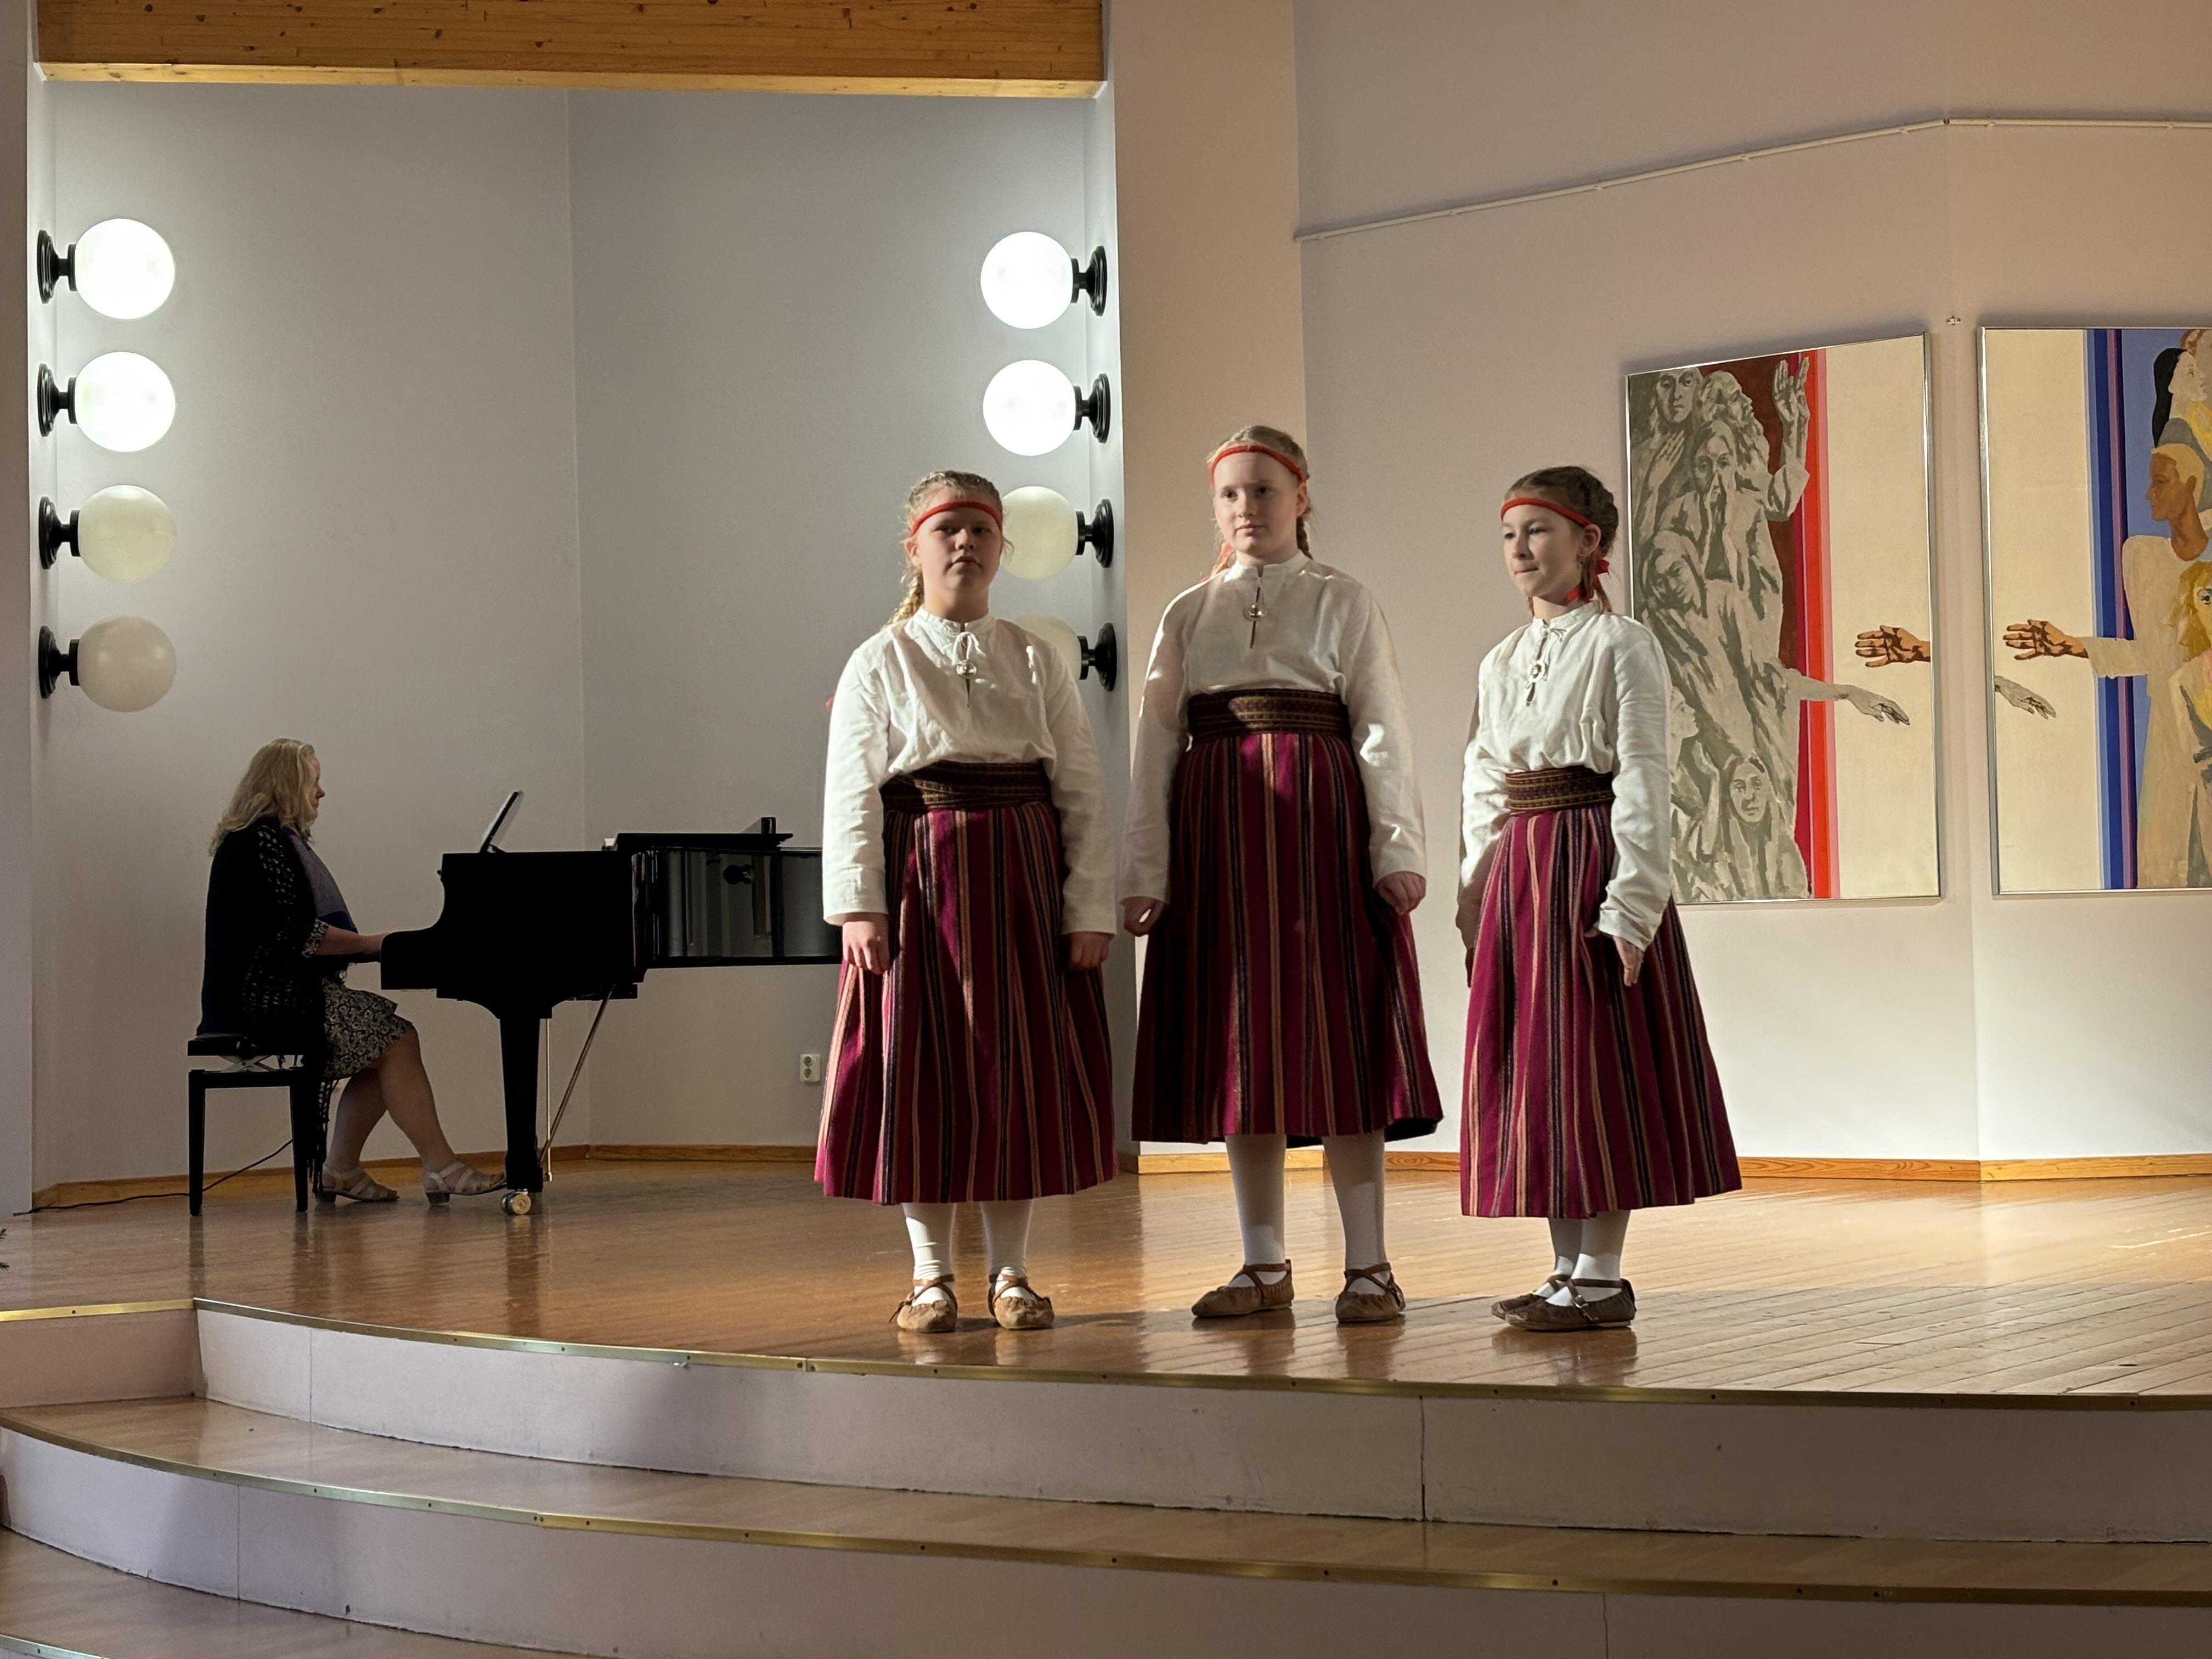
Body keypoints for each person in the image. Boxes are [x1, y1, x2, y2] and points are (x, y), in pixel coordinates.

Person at [1123, 425, 1441, 1327]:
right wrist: (1147, 867)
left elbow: (1381, 725)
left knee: (1342, 1042)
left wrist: (1396, 848)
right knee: (1241, 1045)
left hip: (1321, 835)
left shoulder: (1343, 600)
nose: (1245, 508)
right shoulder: (1188, 612)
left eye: (1262, 490)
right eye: (1229, 494)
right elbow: (1155, 744)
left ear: (1300, 498)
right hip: (1217, 839)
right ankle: (1262, 1262)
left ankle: (1369, 1264)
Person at [817, 471, 1115, 1334]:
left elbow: (1081, 787)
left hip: (1021, 880)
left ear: (1001, 549)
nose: (965, 544)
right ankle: (931, 1277)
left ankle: (1013, 1273)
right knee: (923, 1072)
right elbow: (851, 791)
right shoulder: (880, 659)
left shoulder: (1036, 656)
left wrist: (1087, 906)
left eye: (981, 530)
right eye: (946, 530)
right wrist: (860, 905)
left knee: (1010, 1071)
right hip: (920, 883)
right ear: (914, 549)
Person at [1460, 467, 1740, 1331]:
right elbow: (1484, 778)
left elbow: (1646, 777)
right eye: (1509, 535)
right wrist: (1476, 892)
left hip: (1587, 863)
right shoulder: (1501, 659)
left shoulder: (1624, 645)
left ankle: (1602, 1276)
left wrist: (1632, 903)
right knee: (1538, 1071)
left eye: (1538, 531)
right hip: (1522, 872)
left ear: (1588, 542)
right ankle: (1562, 1270)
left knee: (1591, 1068)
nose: (1520, 549)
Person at [200, 740, 501, 1203]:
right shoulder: (260, 843)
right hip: (261, 1002)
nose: (321, 792)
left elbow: (295, 931)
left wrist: (372, 947)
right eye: (313, 781)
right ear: (285, 783)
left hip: (266, 994)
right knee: (397, 1039)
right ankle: (437, 1166)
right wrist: (372, 944)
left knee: (387, 1042)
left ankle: (343, 1169)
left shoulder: (265, 841)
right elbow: (297, 933)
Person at [2004, 443, 2212, 887]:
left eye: (2161, 482)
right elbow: (2152, 657)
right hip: (2170, 737)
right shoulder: (2144, 558)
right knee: (2165, 871)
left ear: (2192, 486)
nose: (2148, 494)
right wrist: (2071, 646)